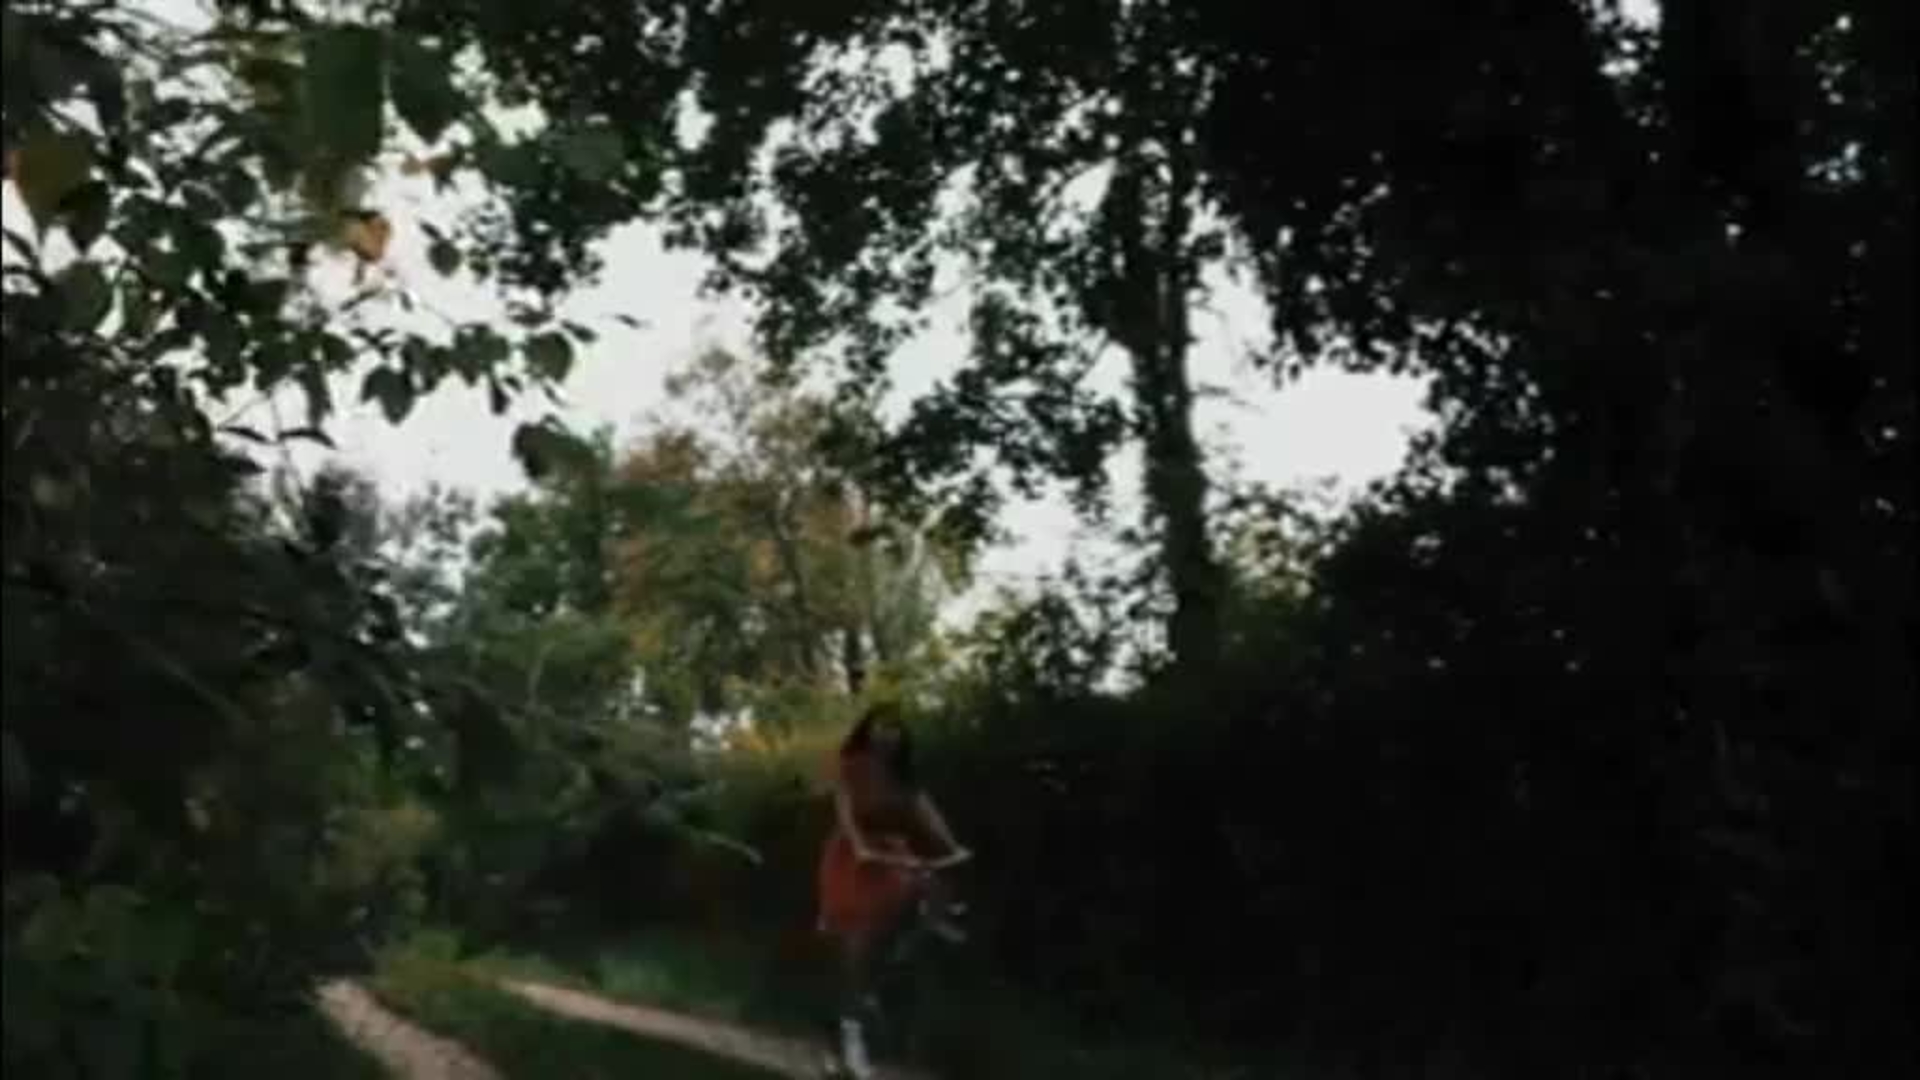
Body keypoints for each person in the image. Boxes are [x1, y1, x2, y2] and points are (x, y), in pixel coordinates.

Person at [816, 704, 970, 1078]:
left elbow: (930, 816)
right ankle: (851, 1035)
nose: (890, 734)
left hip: (891, 853)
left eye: (896, 728)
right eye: (883, 727)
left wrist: (953, 847)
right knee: (858, 947)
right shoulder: (852, 767)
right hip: (854, 859)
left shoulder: (906, 778)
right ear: (869, 732)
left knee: (926, 882)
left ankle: (926, 928)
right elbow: (845, 814)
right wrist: (860, 847)